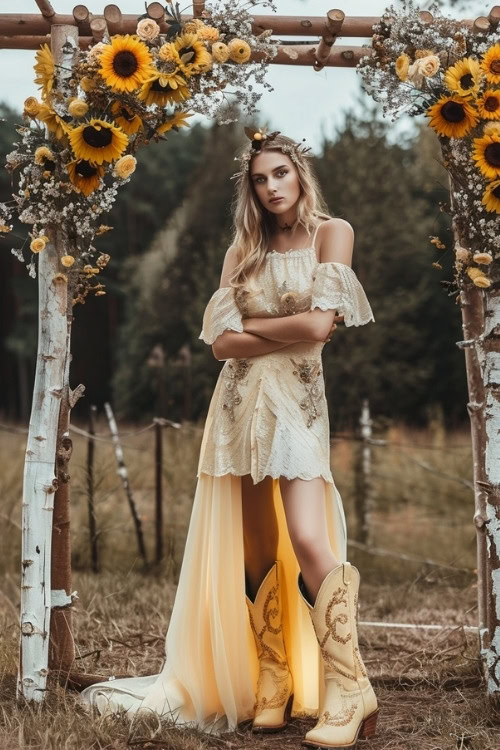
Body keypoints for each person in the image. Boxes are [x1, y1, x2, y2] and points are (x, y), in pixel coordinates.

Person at [81, 129, 378, 749]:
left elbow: (321, 327)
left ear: (300, 173)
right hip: (240, 403)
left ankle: (351, 689)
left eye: (279, 174)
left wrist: (257, 326)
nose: (271, 188)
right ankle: (272, 679)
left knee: (305, 535)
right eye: (259, 180)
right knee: (257, 547)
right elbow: (221, 346)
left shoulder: (333, 233)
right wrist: (279, 328)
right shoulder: (242, 251)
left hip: (298, 401)